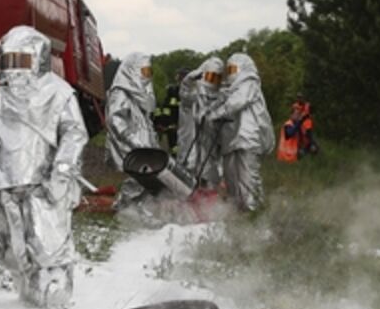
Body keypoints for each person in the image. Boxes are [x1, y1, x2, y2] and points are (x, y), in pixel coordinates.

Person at [0, 25, 88, 309]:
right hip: (5, 184)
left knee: (48, 244)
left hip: (44, 184)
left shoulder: (58, 93)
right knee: (10, 248)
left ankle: (55, 296)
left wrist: (62, 172)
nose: (14, 70)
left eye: (22, 61)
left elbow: (74, 133)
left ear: (37, 59)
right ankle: (28, 295)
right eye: (9, 61)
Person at [104, 53, 191, 225]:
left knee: (148, 179)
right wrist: (131, 139)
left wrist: (151, 141)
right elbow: (115, 119)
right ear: (132, 71)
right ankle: (123, 207)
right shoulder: (120, 92)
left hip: (144, 143)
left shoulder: (142, 94)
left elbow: (147, 120)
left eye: (148, 71)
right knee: (138, 179)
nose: (146, 75)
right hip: (130, 144)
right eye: (143, 71)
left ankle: (139, 209)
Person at [207, 53, 275, 212]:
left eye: (233, 69)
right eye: (228, 69)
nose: (231, 73)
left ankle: (254, 215)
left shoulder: (249, 82)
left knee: (248, 180)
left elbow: (238, 102)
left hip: (247, 139)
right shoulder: (229, 90)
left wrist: (216, 114)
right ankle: (237, 215)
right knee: (232, 181)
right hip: (231, 142)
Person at [178, 57, 224, 189]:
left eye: (216, 78)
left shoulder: (222, 95)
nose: (213, 81)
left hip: (213, 144)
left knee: (213, 172)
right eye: (210, 76)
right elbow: (185, 97)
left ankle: (211, 196)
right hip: (194, 143)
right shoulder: (196, 93)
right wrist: (187, 81)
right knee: (194, 170)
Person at [152, 68, 186, 153]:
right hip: (172, 124)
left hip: (183, 124)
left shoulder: (187, 92)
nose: (177, 78)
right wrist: (162, 123)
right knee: (174, 145)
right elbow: (167, 108)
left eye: (179, 75)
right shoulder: (172, 90)